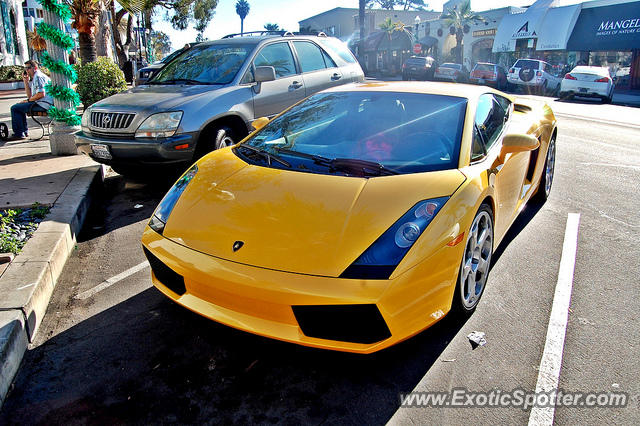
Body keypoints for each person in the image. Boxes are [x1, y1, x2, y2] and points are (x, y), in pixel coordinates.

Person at [9, 60, 54, 140]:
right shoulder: (36, 77)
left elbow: (41, 94)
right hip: (40, 103)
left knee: (15, 108)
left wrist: (28, 101)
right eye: (25, 68)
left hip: (43, 104)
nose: (27, 70)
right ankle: (23, 132)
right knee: (19, 107)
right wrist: (25, 81)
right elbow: (30, 96)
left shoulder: (39, 77)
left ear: (35, 68)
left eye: (28, 68)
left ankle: (19, 133)